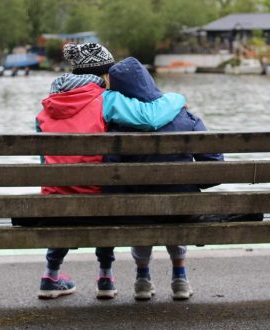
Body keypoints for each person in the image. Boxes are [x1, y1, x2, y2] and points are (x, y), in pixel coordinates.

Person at [35, 43, 186, 300]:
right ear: (106, 75)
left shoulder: (47, 105)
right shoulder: (106, 99)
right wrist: (176, 98)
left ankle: (50, 275)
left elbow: (44, 161)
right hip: (98, 198)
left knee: (64, 189)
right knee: (105, 190)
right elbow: (149, 118)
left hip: (55, 199)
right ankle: (105, 276)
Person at [105, 57, 224, 300]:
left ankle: (142, 278)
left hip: (135, 211)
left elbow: (110, 173)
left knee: (138, 206)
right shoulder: (185, 117)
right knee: (177, 200)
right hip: (182, 208)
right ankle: (180, 277)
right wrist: (191, 183)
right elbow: (214, 165)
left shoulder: (118, 124)